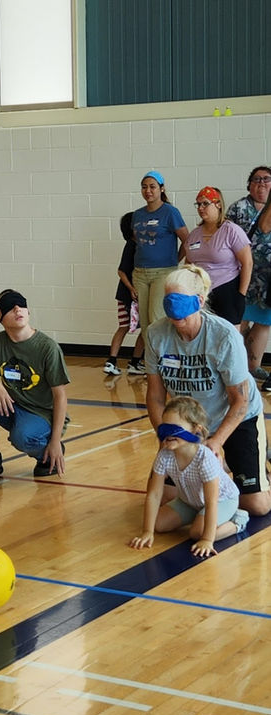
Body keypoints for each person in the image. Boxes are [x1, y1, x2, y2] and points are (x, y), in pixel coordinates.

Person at [144, 264, 271, 516]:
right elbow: (156, 396)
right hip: (188, 425)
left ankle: (258, 470)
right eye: (169, 303)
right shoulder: (155, 335)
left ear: (199, 301)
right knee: (163, 499)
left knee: (256, 506)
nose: (174, 313)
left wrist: (215, 443)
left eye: (181, 304)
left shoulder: (224, 336)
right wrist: (165, 434)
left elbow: (240, 401)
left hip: (235, 418)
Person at [0, 289, 70, 483]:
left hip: (42, 415)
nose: (17, 309)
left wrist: (55, 440)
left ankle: (48, 451)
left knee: (22, 437)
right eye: (10, 306)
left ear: (28, 311)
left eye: (21, 304)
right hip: (14, 407)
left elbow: (60, 397)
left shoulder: (47, 348)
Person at [129, 395, 248, 558]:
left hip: (223, 501)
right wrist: (147, 532)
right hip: (190, 501)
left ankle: (237, 522)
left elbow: (212, 501)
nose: (167, 434)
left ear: (195, 429)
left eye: (175, 428)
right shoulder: (164, 456)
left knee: (197, 533)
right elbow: (154, 494)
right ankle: (199, 516)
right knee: (159, 524)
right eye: (165, 427)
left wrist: (207, 539)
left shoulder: (204, 458)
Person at [179, 186, 250, 327]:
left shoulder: (231, 230)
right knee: (201, 334)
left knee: (228, 337)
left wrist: (240, 295)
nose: (200, 208)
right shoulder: (194, 234)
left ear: (218, 204)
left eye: (205, 203)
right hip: (200, 292)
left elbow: (247, 263)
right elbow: (189, 264)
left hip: (226, 289)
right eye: (198, 204)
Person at [227, 167, 271, 382]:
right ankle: (236, 366)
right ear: (249, 184)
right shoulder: (238, 208)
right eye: (256, 179)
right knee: (239, 320)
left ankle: (253, 367)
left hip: (268, 279)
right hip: (243, 275)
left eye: (266, 179)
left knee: (264, 321)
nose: (262, 183)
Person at [131, 171, 189, 326]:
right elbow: (138, 241)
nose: (148, 191)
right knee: (144, 323)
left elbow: (187, 240)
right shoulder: (137, 214)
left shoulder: (170, 212)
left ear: (161, 189)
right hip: (140, 274)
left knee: (156, 319)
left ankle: (161, 351)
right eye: (144, 187)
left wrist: (176, 259)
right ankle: (150, 352)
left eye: (152, 187)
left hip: (163, 272)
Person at [103, 212, 145, 377]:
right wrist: (131, 288)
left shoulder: (143, 245)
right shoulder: (131, 245)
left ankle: (135, 362)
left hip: (138, 295)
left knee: (145, 328)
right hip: (127, 296)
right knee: (124, 327)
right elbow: (121, 271)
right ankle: (111, 360)